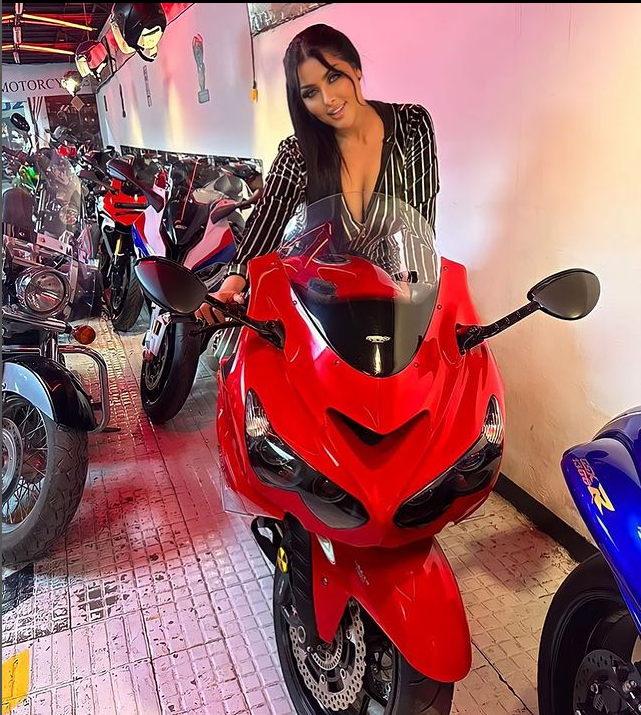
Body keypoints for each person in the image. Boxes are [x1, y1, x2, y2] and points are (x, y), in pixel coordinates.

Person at [195, 22, 439, 324]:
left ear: (356, 68)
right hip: (317, 298)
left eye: (334, 77)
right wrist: (232, 285)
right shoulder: (298, 152)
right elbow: (268, 221)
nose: (328, 99)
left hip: (387, 295)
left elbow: (419, 223)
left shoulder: (411, 126)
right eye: (311, 92)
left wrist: (414, 294)